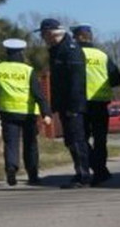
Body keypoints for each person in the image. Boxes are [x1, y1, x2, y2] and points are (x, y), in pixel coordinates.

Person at [0, 38, 52, 186]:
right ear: (22, 52)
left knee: (11, 143)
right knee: (30, 144)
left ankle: (11, 167)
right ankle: (32, 174)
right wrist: (45, 112)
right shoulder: (28, 70)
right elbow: (37, 93)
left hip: (8, 112)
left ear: (7, 52)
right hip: (28, 113)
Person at [37, 18, 93, 189]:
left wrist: (73, 107)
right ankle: (96, 170)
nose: (42, 38)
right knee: (73, 140)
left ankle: (83, 175)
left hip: (73, 105)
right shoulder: (58, 50)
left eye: (43, 34)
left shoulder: (70, 50)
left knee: (76, 140)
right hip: (66, 104)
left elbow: (76, 81)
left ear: (51, 33)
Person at [72, 24, 120, 185]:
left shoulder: (74, 54)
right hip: (101, 103)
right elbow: (117, 79)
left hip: (80, 103)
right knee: (100, 140)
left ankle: (91, 169)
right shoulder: (102, 55)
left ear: (78, 37)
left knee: (81, 138)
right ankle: (100, 170)